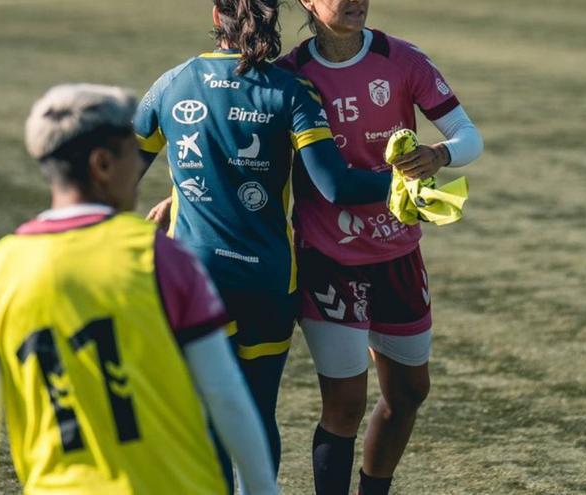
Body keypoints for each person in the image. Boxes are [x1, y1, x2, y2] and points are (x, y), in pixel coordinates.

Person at [0, 84, 278, 495]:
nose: (139, 169)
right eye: (132, 154)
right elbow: (226, 395)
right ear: (102, 164)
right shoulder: (160, 258)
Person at [134, 0, 398, 489]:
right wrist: (403, 186)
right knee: (256, 414)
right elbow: (335, 186)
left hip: (191, 282)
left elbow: (120, 173)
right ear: (273, 19)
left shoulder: (173, 83)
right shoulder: (292, 90)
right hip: (267, 282)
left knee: (200, 415)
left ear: (216, 18)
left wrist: (178, 194)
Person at [276, 1, 485, 494]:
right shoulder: (291, 74)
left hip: (398, 253)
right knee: (345, 404)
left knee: (410, 391)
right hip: (330, 259)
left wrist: (439, 154)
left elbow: (468, 136)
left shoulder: (403, 59)